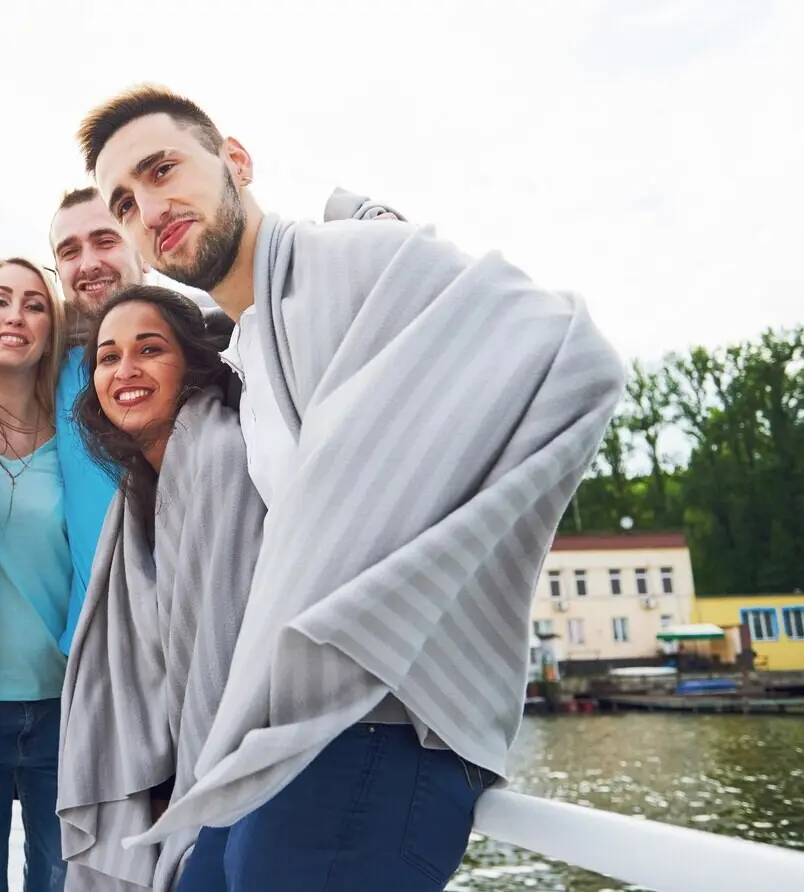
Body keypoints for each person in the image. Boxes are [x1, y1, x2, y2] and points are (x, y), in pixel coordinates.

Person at [76, 85, 626, 890]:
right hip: (291, 728)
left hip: (388, 725)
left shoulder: (352, 260)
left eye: (163, 170)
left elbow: (575, 357)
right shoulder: (250, 354)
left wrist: (417, 565)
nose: (150, 209)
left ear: (235, 161)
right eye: (125, 203)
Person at [57, 286, 263, 892]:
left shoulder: (220, 457)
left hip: (239, 776)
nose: (125, 370)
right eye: (108, 357)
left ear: (192, 364)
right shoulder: (137, 491)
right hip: (179, 777)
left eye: (149, 350)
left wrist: (187, 790)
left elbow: (221, 648)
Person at [0, 258, 72, 892]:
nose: (16, 316)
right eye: (0, 300)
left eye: (35, 305)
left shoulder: (79, 435)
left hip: (63, 703)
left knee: (61, 880)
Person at [48, 187, 149, 656]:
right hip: (93, 653)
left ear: (142, 250)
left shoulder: (215, 348)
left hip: (203, 647)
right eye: (69, 251)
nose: (87, 263)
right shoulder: (44, 370)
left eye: (105, 241)